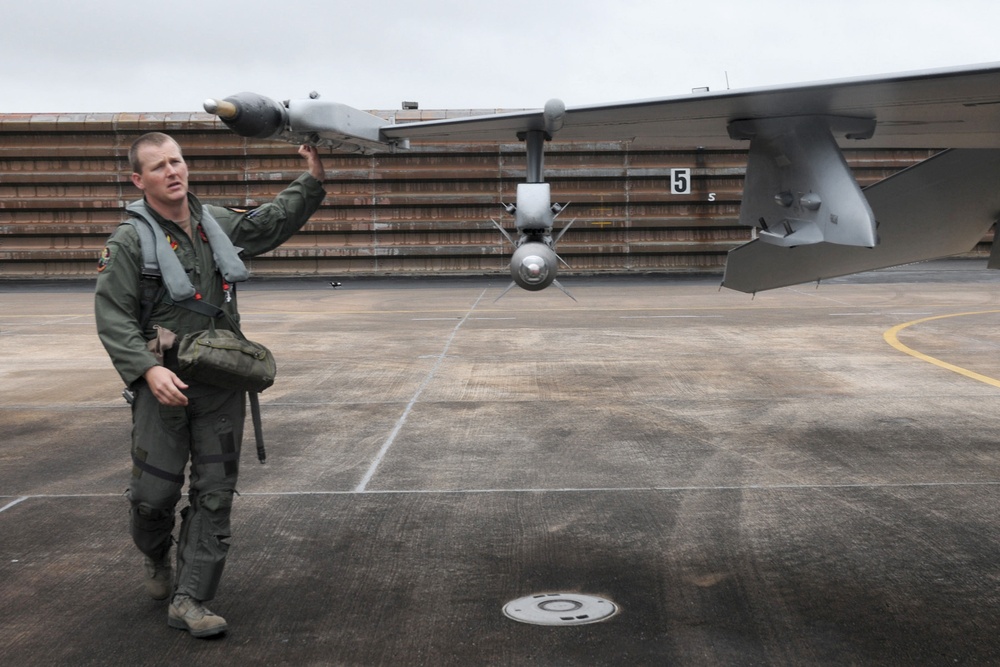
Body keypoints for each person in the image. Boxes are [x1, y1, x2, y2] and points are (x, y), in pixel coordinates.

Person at [94, 132, 326, 638]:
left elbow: (269, 223)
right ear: (139, 180)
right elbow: (112, 316)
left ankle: (191, 598)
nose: (172, 172)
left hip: (220, 381)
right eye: (158, 167)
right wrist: (147, 369)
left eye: (176, 161)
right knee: (153, 497)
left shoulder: (214, 222)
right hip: (164, 386)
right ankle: (156, 555)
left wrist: (312, 177)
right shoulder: (130, 241)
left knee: (215, 494)